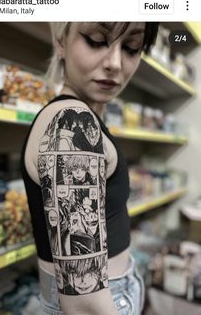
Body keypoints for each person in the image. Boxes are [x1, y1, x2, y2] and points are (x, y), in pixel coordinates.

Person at [21, 22, 159, 315]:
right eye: (96, 40)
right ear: (61, 41)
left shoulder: (84, 119)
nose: (115, 63)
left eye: (132, 48)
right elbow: (85, 305)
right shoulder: (72, 120)